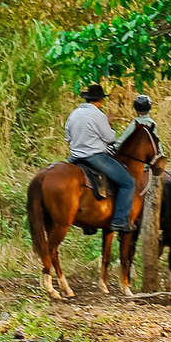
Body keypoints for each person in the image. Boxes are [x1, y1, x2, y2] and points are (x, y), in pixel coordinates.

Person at [64, 83, 136, 233]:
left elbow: (68, 138)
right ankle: (119, 220)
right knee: (128, 182)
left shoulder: (73, 114)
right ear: (100, 100)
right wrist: (108, 124)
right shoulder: (98, 115)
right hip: (94, 157)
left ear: (87, 99)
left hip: (75, 158)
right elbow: (110, 138)